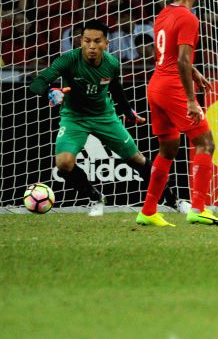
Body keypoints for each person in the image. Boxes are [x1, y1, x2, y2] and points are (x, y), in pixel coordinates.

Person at [28, 20, 178, 217]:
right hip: (74, 118)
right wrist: (49, 92)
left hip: (104, 117)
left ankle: (171, 199)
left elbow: (115, 89)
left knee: (137, 160)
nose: (91, 46)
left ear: (106, 43)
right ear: (80, 41)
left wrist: (127, 111)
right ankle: (94, 197)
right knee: (63, 164)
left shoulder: (112, 63)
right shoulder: (68, 60)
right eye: (87, 41)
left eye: (97, 41)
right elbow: (37, 82)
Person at [137, 0, 218, 227]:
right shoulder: (189, 19)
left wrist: (195, 73)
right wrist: (191, 99)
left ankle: (148, 210)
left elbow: (169, 55)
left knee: (168, 148)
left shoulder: (163, 14)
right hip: (174, 88)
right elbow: (182, 59)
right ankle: (198, 207)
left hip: (156, 85)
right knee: (206, 143)